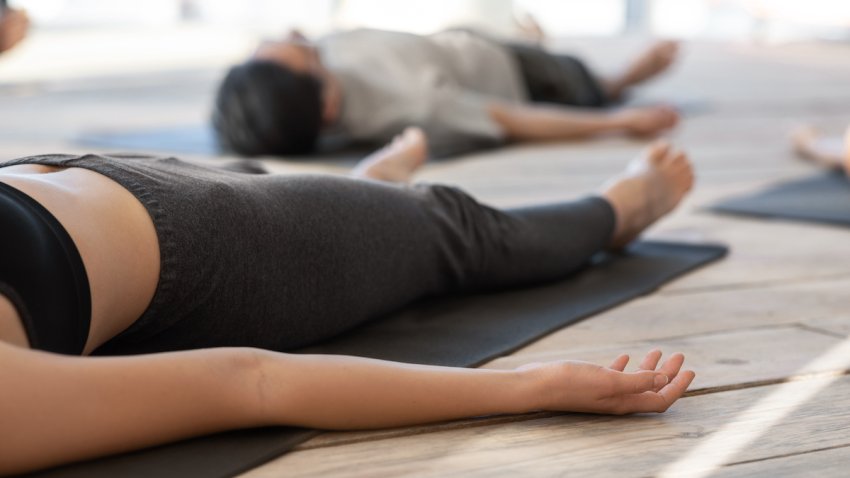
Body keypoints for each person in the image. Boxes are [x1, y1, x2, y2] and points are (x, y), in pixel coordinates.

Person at [0, 128, 695, 475]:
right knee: (446, 228)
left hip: (58, 172)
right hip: (206, 241)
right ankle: (618, 208)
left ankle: (363, 193)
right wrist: (524, 388)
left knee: (269, 181)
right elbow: (253, 383)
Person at [212, 28, 680, 157]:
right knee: (590, 82)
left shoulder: (298, 83)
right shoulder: (416, 102)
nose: (290, 39)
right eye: (299, 51)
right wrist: (621, 122)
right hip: (519, 74)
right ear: (328, 101)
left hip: (456, 44)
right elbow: (509, 119)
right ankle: (618, 81)